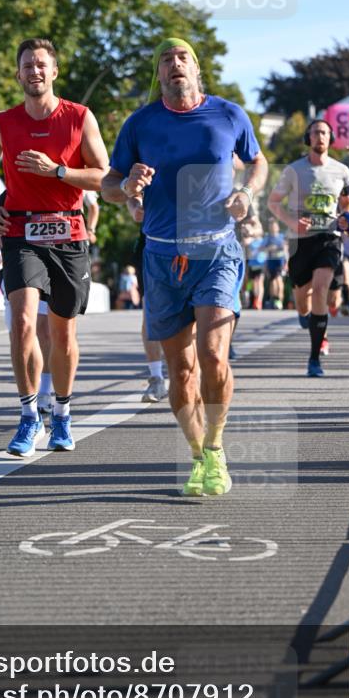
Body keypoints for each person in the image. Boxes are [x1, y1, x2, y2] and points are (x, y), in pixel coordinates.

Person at [102, 37, 267, 497]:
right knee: (181, 372)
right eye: (166, 60)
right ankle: (196, 453)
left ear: (197, 69)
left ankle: (216, 447)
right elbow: (109, 184)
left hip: (215, 251)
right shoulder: (140, 124)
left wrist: (247, 193)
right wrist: (128, 185)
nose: (175, 65)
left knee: (214, 356)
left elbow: (258, 161)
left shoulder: (229, 114)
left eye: (183, 59)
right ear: (158, 74)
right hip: (160, 257)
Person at [0, 37, 109, 456]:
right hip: (20, 233)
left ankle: (63, 415)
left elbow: (104, 175)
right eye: (27, 65)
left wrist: (59, 171)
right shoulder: (3, 122)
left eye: (41, 65)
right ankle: (29, 416)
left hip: (67, 233)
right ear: (18, 74)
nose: (34, 71)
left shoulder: (79, 118)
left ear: (54, 72)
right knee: (24, 323)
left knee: (63, 334)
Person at [267, 117, 349, 377]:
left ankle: (314, 358)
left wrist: (346, 217)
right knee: (302, 299)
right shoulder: (293, 170)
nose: (320, 137)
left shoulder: (342, 171)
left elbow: (348, 202)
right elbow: (273, 203)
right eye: (315, 132)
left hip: (328, 237)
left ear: (330, 138)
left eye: (324, 133)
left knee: (320, 289)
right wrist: (292, 221)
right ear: (308, 138)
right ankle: (306, 317)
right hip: (299, 241)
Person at [126, 195, 168, 402]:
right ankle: (156, 378)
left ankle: (192, 375)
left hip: (194, 242)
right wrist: (134, 206)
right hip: (152, 244)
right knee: (150, 312)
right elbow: (125, 189)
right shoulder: (148, 162)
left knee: (193, 314)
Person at [260, 217, 288, 309]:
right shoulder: (267, 238)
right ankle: (274, 300)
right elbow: (261, 249)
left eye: (274, 226)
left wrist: (287, 262)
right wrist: (269, 248)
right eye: (271, 226)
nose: (272, 227)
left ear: (277, 227)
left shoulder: (282, 237)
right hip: (270, 262)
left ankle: (279, 300)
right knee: (272, 282)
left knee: (279, 280)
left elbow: (286, 250)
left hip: (280, 262)